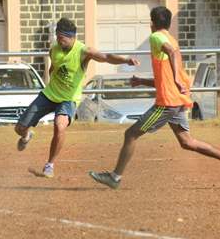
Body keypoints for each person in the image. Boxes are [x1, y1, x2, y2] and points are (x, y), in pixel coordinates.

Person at [89, 6, 220, 189]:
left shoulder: (156, 37)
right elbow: (166, 77)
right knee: (187, 142)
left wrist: (177, 78)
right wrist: (142, 81)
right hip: (176, 100)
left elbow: (171, 54)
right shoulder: (171, 38)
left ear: (152, 23)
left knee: (130, 134)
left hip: (167, 104)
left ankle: (115, 177)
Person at [14, 17, 140, 178]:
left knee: (60, 126)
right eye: (57, 37)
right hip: (49, 94)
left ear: (72, 36)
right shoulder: (54, 50)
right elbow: (53, 68)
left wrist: (126, 60)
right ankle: (26, 135)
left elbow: (106, 57)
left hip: (69, 99)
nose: (59, 41)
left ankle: (49, 165)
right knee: (19, 128)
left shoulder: (83, 51)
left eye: (62, 38)